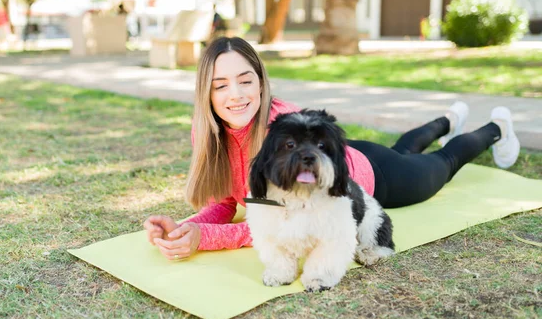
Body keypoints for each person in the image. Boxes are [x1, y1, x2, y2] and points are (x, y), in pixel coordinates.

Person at [143, 37, 521, 261]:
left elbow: (286, 225)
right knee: (404, 148)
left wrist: (202, 241)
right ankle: (447, 121)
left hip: (368, 180)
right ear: (206, 93)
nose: (236, 95)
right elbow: (228, 200)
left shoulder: (284, 126)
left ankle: (496, 127)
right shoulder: (206, 132)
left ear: (261, 83)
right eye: (221, 85)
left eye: (245, 80)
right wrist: (185, 228)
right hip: (341, 156)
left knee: (442, 162)